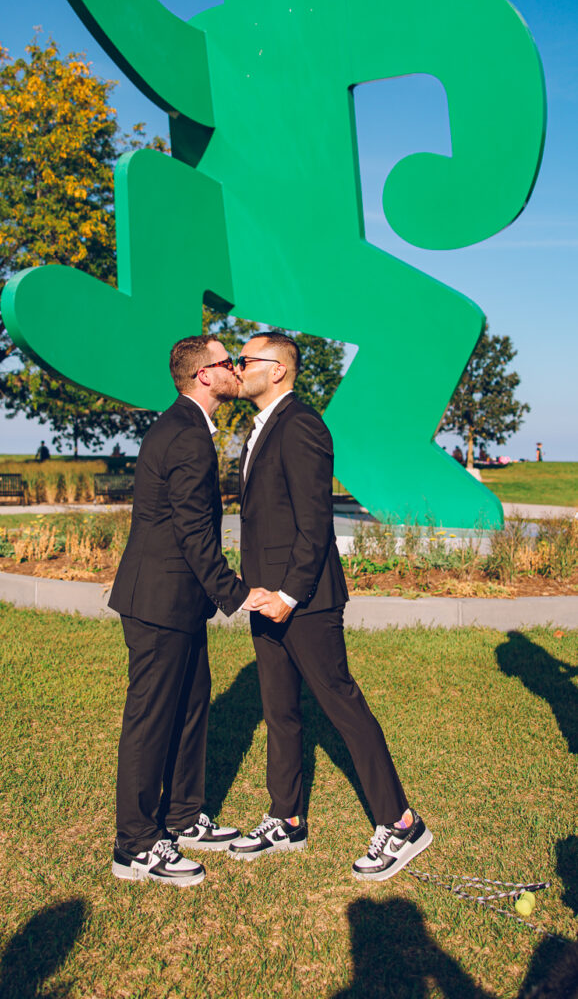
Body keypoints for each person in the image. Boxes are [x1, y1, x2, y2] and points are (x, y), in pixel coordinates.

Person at [230, 332, 432, 881]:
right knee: (280, 710)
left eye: (246, 360)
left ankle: (404, 823)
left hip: (304, 599)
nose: (237, 366)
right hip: (264, 596)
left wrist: (290, 596)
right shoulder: (263, 427)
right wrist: (261, 594)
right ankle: (287, 816)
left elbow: (314, 520)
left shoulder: (302, 426)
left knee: (341, 705)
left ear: (278, 370)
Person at [109, 334, 270, 887]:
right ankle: (134, 844)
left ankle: (182, 816)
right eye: (229, 362)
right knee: (152, 719)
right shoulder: (185, 436)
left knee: (191, 704)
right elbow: (194, 534)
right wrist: (239, 593)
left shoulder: (189, 428)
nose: (237, 369)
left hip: (179, 600)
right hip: (158, 600)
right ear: (205, 375)